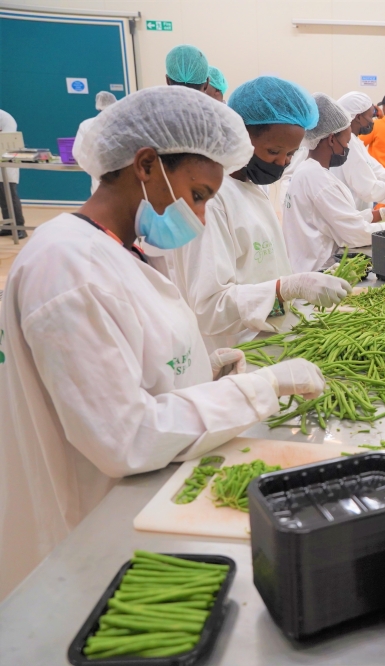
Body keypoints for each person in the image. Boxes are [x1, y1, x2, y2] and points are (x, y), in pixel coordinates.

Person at [0, 86, 327, 601]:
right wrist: (263, 387)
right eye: (197, 195)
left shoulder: (121, 249)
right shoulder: (67, 268)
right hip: (92, 522)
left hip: (143, 495)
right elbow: (125, 435)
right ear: (147, 164)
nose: (200, 218)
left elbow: (128, 369)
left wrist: (201, 370)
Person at [168, 76, 352, 352]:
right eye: (274, 151)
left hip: (268, 336)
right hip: (236, 353)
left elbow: (263, 272)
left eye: (290, 154)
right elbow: (210, 310)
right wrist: (287, 288)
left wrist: (305, 285)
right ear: (238, 133)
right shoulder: (210, 200)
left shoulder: (252, 187)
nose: (281, 162)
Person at [283, 94, 385, 272]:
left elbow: (339, 218)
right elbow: (356, 234)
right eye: (346, 142)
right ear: (331, 139)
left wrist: (381, 213)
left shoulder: (308, 171)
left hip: (308, 266)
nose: (347, 148)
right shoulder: (320, 181)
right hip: (317, 272)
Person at [75, 92, 119, 194]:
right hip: (123, 179)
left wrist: (92, 168)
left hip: (99, 178)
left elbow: (77, 153)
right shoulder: (121, 122)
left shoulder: (87, 124)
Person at [0, 108, 25, 238]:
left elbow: (6, 140)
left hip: (7, 159)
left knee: (9, 195)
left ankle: (20, 227)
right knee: (2, 197)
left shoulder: (5, 118)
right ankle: (9, 226)